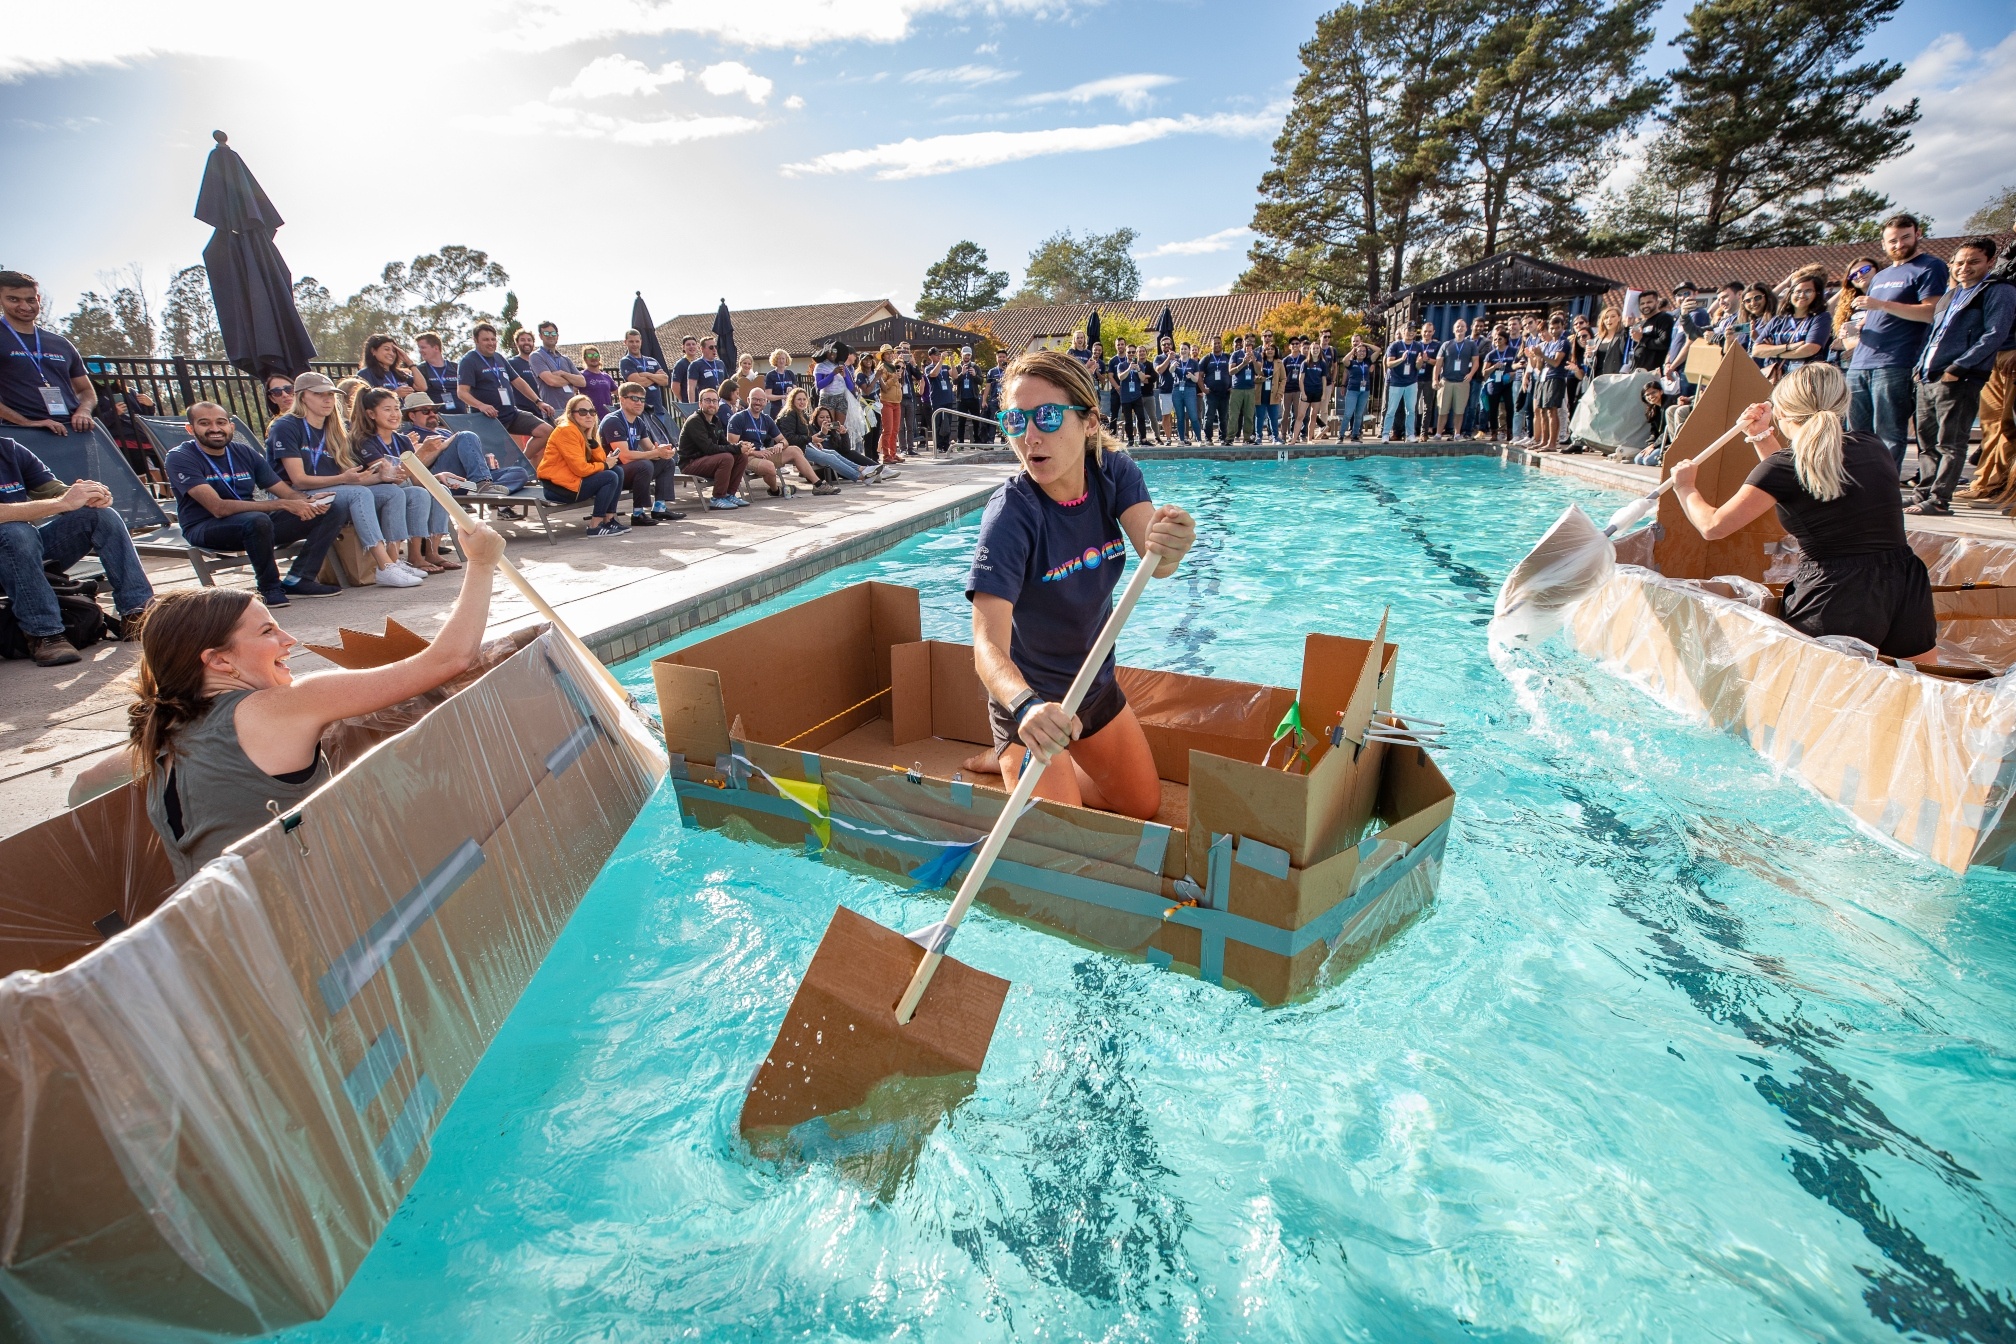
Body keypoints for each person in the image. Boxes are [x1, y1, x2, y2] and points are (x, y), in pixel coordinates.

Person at [116, 514, 506, 882]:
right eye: (268, 631)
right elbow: (449, 659)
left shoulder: (161, 729)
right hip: (293, 924)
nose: (289, 641)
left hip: (216, 931)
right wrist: (482, 564)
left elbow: (83, 784)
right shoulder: (282, 706)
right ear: (218, 660)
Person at [968, 349, 1196, 817]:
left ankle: (1017, 767)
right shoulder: (1011, 514)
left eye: (1047, 416)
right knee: (1065, 834)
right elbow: (986, 645)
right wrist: (1026, 708)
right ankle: (1010, 752)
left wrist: (1173, 542)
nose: (1029, 437)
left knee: (1141, 806)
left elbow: (1158, 560)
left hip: (1094, 688)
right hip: (1032, 709)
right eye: (1015, 420)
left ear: (1089, 421)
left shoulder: (1113, 472)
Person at [1671, 362, 1935, 663]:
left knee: (1811, 693)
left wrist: (1686, 488)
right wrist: (1761, 437)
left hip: (1835, 592)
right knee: (1920, 684)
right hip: (1905, 581)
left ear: (1782, 412)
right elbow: (1803, 478)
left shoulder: (1781, 467)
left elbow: (1713, 526)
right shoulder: (1872, 446)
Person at [165, 402, 344, 606]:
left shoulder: (243, 452)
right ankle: (269, 587)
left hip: (255, 525)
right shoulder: (180, 457)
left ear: (231, 427)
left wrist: (309, 501)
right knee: (257, 520)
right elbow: (218, 508)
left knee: (332, 510)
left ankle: (299, 579)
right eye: (205, 423)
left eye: (221, 422)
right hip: (206, 527)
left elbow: (283, 491)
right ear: (191, 429)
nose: (215, 429)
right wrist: (283, 505)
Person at [0, 434, 153, 664]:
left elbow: (56, 492)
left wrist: (89, 495)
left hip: (20, 556)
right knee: (16, 532)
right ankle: (45, 634)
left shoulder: (8, 449)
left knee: (100, 516)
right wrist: (63, 503)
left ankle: (137, 614)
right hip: (15, 545)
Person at [267, 373, 424, 589]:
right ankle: (384, 566)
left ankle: (394, 560)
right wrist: (344, 479)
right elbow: (299, 480)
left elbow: (350, 480)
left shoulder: (334, 428)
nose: (328, 399)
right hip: (297, 497)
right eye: (319, 394)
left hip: (334, 491)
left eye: (331, 394)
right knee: (359, 494)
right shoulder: (286, 426)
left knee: (392, 492)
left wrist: (379, 477)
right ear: (302, 397)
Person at [1906, 237, 2016, 517]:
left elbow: (1995, 333)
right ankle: (1923, 492)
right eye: (1960, 261)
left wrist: (1959, 367)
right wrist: (1919, 369)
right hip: (1928, 377)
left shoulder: (1997, 290)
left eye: (1974, 261)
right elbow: (1934, 335)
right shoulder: (1950, 295)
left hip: (1959, 378)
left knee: (1950, 443)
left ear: (1990, 262)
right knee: (1926, 444)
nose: (1965, 267)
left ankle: (1940, 499)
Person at [1848, 214, 1949, 471]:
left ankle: (1884, 488)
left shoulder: (1930, 267)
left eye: (1905, 237)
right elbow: (1879, 313)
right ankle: (1860, 487)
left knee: (1888, 433)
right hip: (1860, 361)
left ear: (1918, 234)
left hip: (1896, 362)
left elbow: (1931, 312)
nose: (1899, 244)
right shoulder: (1881, 276)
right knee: (1856, 433)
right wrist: (1863, 324)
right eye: (1892, 240)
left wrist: (1880, 305)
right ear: (1883, 244)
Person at [350, 388, 456, 573]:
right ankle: (413, 556)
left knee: (439, 491)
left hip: (402, 487)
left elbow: (415, 478)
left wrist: (437, 480)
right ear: (371, 414)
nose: (394, 414)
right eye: (387, 409)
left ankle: (431, 552)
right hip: (379, 491)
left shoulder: (402, 440)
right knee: (418, 493)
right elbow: (392, 476)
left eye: (397, 408)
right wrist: (422, 452)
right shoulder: (364, 441)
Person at [0, 270, 96, 436]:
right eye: (13, 299)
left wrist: (84, 411)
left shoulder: (61, 343)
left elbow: (85, 390)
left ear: (38, 299)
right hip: (22, 435)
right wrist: (27, 423)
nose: (25, 306)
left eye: (30, 300)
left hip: (74, 433)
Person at [398, 392, 529, 497]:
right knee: (466, 435)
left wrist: (484, 465)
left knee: (519, 472)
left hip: (466, 481)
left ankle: (483, 487)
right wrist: (447, 443)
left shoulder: (444, 431)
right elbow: (417, 464)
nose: (432, 414)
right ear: (412, 416)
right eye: (425, 411)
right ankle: (483, 485)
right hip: (441, 478)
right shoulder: (409, 435)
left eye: (434, 410)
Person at [456, 323, 554, 459]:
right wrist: (481, 405)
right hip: (487, 419)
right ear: (476, 340)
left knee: (546, 430)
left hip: (511, 413)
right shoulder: (468, 361)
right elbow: (462, 392)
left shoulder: (499, 357)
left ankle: (523, 463)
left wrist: (538, 402)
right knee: (498, 457)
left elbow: (518, 382)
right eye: (486, 340)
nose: (490, 343)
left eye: (493, 339)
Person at [599, 381, 689, 526]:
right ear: (622, 400)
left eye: (642, 399)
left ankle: (660, 507)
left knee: (666, 462)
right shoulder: (613, 421)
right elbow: (625, 456)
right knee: (644, 465)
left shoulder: (638, 422)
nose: (639, 403)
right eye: (634, 398)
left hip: (630, 469)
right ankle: (638, 513)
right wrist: (654, 453)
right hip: (613, 471)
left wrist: (663, 451)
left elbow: (649, 448)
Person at [537, 394, 627, 537]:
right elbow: (581, 469)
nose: (589, 416)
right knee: (609, 476)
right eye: (583, 412)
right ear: (571, 414)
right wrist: (604, 466)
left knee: (617, 470)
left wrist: (591, 438)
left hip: (573, 481)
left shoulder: (583, 431)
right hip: (559, 487)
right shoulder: (566, 430)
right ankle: (594, 526)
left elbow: (601, 460)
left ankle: (609, 520)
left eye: (592, 412)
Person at [730, 386, 833, 496]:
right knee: (769, 466)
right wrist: (755, 452)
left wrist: (780, 444)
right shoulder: (739, 418)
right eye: (755, 399)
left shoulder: (766, 419)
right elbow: (732, 446)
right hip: (746, 456)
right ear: (748, 400)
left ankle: (818, 485)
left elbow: (784, 440)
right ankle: (776, 490)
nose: (758, 402)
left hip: (763, 453)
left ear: (766, 402)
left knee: (795, 450)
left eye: (761, 400)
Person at [679, 388, 749, 510]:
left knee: (741, 456)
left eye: (714, 401)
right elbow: (709, 449)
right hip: (690, 463)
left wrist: (740, 447)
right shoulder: (695, 421)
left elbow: (724, 443)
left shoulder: (716, 421)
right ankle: (717, 498)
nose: (711, 404)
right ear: (700, 403)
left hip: (707, 461)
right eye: (707, 400)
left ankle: (729, 494)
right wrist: (736, 448)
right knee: (726, 457)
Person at [1755, 275, 1831, 380]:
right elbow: (1757, 350)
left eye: (1808, 291)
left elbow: (1810, 349)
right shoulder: (1778, 320)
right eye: (1798, 291)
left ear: (1817, 294)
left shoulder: (1821, 318)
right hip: (1776, 378)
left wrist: (1774, 352)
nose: (1802, 295)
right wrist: (1788, 347)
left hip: (1805, 378)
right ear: (1790, 294)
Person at [528, 321, 586, 420]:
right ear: (541, 336)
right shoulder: (536, 356)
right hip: (553, 411)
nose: (550, 336)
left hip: (572, 411)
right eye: (546, 333)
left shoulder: (565, 359)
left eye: (553, 333)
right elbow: (551, 381)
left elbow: (582, 382)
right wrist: (571, 380)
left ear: (557, 336)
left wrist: (562, 374)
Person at [1830, 257, 1879, 366]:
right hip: (1854, 363)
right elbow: (1827, 308)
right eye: (1853, 275)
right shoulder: (1850, 303)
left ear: (1877, 269)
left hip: (1881, 360)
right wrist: (1843, 335)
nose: (1860, 275)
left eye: (1865, 270)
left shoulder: (1888, 298)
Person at [1434, 319, 1476, 441]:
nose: (1460, 328)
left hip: (1462, 382)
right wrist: (1435, 379)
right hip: (1446, 381)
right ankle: (1438, 434)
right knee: (1442, 409)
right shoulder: (1446, 344)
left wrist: (1471, 374)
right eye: (1457, 326)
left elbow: (1476, 362)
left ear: (1466, 328)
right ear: (1453, 329)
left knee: (1459, 410)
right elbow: (1438, 364)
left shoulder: (1471, 344)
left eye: (1462, 326)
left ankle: (1457, 434)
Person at [1382, 326, 1423, 441]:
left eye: (1414, 330)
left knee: (1411, 410)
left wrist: (1420, 362)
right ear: (1403, 331)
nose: (1411, 333)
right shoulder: (1395, 345)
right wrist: (1401, 359)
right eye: (1409, 330)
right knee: (1391, 410)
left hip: (1411, 382)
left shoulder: (1418, 346)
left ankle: (1410, 434)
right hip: (1396, 382)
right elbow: (1389, 364)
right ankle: (1385, 434)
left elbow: (1418, 366)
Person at [618, 329, 672, 416]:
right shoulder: (626, 361)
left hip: (657, 409)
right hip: (639, 410)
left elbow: (665, 380)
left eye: (637, 341)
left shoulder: (652, 360)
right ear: (625, 342)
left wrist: (647, 375)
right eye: (631, 341)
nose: (635, 344)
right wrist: (656, 377)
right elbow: (639, 382)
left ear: (641, 342)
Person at [1479, 328, 1515, 443]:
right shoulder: (1491, 355)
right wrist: (1494, 367)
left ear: (1505, 340)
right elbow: (1484, 372)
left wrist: (1512, 374)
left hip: (1508, 383)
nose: (1497, 341)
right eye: (1495, 339)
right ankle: (1494, 432)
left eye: (1500, 339)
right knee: (1493, 409)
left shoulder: (1513, 351)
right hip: (1494, 384)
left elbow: (1520, 366)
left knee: (1510, 407)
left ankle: (1510, 432)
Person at [414, 332, 463, 413]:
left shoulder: (456, 367)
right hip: (437, 419)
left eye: (423, 347)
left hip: (461, 417)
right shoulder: (420, 370)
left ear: (436, 348)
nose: (420, 351)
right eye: (419, 348)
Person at [1627, 291, 1675, 374]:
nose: (1645, 306)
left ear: (1657, 302)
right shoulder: (1640, 324)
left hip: (1654, 373)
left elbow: (1664, 343)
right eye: (1642, 303)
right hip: (1637, 372)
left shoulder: (1665, 318)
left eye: (1649, 302)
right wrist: (1627, 326)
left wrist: (1642, 339)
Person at [1339, 335, 1374, 441]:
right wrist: (1353, 349)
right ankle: (1341, 435)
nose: (1362, 352)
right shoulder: (1352, 363)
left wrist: (1364, 344)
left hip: (1364, 391)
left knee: (1359, 415)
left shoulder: (1368, 362)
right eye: (1360, 351)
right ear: (1355, 352)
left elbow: (1378, 350)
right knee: (1348, 414)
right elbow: (1344, 360)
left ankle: (1355, 435)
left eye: (1364, 351)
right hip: (1352, 391)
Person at [1168, 340, 1202, 444]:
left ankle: (1199, 439)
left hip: (1190, 390)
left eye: (1185, 349)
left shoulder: (1194, 363)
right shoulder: (1176, 361)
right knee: (1180, 416)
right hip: (1177, 389)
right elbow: (1170, 371)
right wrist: (1173, 366)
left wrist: (1191, 376)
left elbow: (1196, 379)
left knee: (1193, 416)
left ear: (1188, 351)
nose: (1183, 351)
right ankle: (1181, 440)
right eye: (1182, 349)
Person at [875, 345, 905, 464]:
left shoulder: (893, 367)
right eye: (887, 353)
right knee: (888, 430)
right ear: (882, 356)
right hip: (886, 401)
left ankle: (892, 453)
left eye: (891, 353)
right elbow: (885, 387)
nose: (890, 355)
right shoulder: (883, 368)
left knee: (895, 430)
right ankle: (886, 455)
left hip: (896, 402)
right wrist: (894, 378)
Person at [1226, 335, 1258, 444]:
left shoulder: (1257, 355)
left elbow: (1259, 372)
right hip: (1237, 389)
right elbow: (1231, 371)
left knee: (1249, 415)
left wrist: (1253, 361)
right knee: (1233, 415)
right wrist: (1243, 363)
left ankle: (1247, 438)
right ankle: (1230, 438)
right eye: (1247, 341)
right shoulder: (1236, 354)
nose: (1249, 343)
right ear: (1243, 342)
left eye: (1252, 342)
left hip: (1250, 389)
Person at [1200, 336, 1232, 444]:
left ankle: (1223, 438)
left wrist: (1232, 386)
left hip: (1225, 393)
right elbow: (1199, 376)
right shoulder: (1207, 358)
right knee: (1209, 417)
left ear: (1221, 344)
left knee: (1224, 417)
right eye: (1215, 343)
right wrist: (1203, 389)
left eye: (1219, 343)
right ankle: (1208, 438)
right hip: (1211, 394)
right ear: (1211, 345)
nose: (1217, 345)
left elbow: (1234, 372)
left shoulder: (1228, 356)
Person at [924, 348, 957, 451]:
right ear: (931, 356)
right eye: (936, 354)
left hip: (948, 398)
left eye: (939, 354)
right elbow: (934, 374)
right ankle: (938, 445)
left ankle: (946, 445)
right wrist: (941, 360)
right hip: (937, 399)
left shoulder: (945, 367)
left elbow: (955, 375)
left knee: (948, 423)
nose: (938, 356)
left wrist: (951, 363)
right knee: (938, 423)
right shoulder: (928, 368)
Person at [1588, 307, 1628, 379]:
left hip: (1614, 378)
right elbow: (1592, 364)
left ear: (1619, 318)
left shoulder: (1623, 336)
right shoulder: (1598, 338)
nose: (1609, 320)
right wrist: (1589, 356)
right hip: (1597, 378)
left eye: (1613, 316)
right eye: (1606, 317)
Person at [580, 348, 617, 416]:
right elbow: (572, 392)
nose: (594, 357)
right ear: (585, 359)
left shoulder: (606, 376)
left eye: (596, 355)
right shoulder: (582, 376)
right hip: (590, 415)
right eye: (590, 355)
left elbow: (619, 392)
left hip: (608, 415)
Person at [688, 336, 727, 402]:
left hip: (721, 401)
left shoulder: (720, 363)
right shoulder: (696, 364)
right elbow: (691, 387)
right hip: (706, 401)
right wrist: (692, 406)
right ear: (702, 349)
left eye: (716, 347)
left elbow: (727, 384)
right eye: (711, 347)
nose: (714, 350)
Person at [671, 334, 700, 404]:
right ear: (683, 347)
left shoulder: (700, 363)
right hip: (690, 403)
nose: (691, 346)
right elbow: (674, 387)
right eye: (688, 344)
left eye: (693, 344)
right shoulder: (680, 364)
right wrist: (684, 400)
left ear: (697, 346)